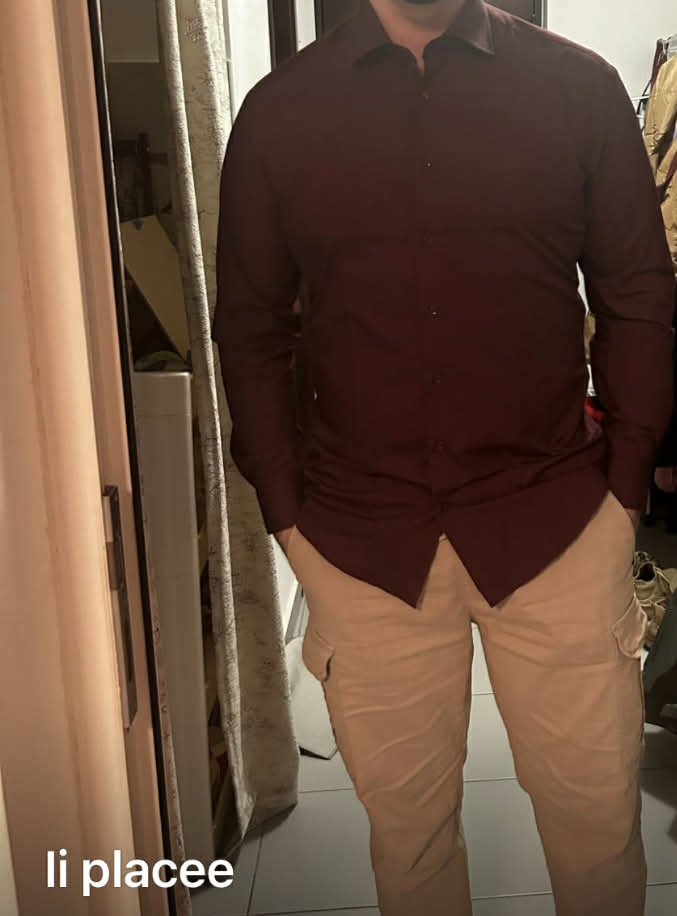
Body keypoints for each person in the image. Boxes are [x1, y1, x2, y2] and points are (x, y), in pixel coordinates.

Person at [212, 1, 675, 914]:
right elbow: (250, 326)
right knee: (409, 843)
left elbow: (636, 293)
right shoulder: (280, 113)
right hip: (360, 544)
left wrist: (625, 488)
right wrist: (286, 516)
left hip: (556, 525)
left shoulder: (576, 89)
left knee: (596, 831)